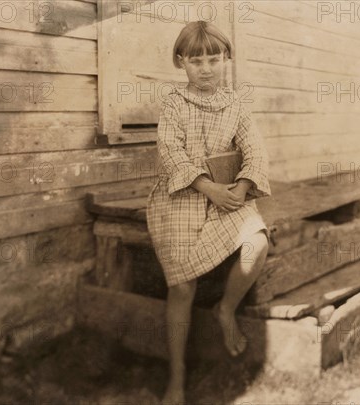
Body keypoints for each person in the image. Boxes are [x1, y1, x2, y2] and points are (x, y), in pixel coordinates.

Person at [146, 20, 271, 404]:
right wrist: (208, 187)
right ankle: (177, 377)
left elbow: (255, 151)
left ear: (225, 60)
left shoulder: (235, 103)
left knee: (257, 244)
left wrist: (242, 187)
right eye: (196, 60)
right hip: (181, 196)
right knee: (182, 285)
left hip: (228, 195)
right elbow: (170, 153)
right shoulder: (173, 102)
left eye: (214, 60)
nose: (206, 68)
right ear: (181, 62)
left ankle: (226, 310)